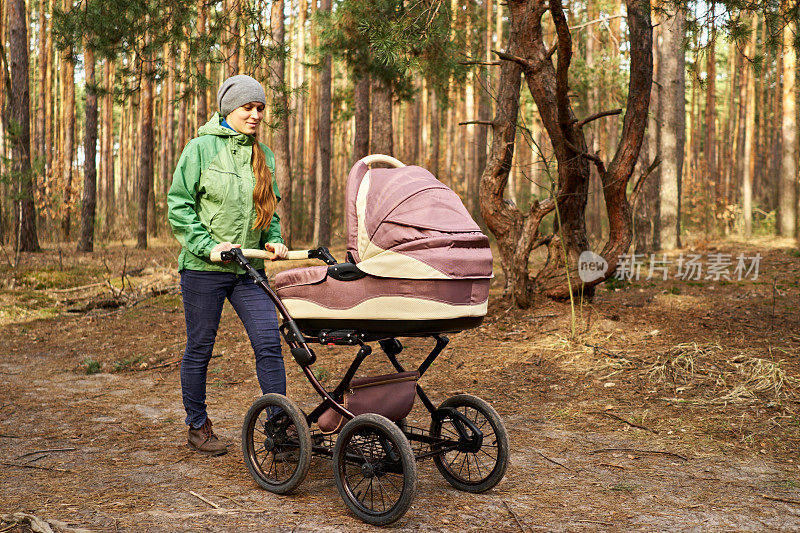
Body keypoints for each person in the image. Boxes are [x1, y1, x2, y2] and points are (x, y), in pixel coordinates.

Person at [167, 74, 288, 456]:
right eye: (247, 108)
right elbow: (180, 205)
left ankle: (278, 428)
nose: (255, 115)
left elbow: (270, 209)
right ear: (228, 110)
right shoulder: (200, 149)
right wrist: (207, 247)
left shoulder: (263, 155)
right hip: (204, 269)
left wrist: (275, 239)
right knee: (201, 347)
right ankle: (198, 426)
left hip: (248, 270)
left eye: (260, 109)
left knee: (269, 342)